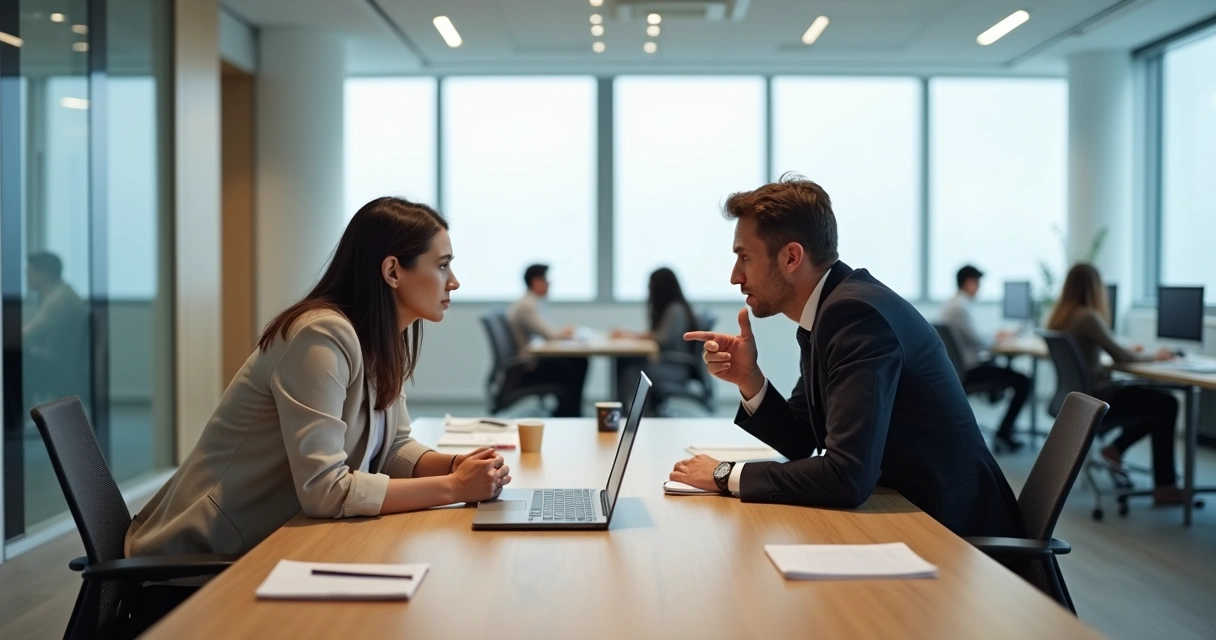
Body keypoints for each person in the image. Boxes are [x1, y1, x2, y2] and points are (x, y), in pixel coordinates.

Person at [127, 197, 512, 558]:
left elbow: (392, 449)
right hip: (209, 552)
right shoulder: (320, 336)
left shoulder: (378, 338)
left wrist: (456, 465)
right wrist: (454, 488)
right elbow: (324, 491)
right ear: (393, 271)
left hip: (281, 538)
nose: (454, 281)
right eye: (442, 265)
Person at [668, 175, 1024, 539]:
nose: (735, 276)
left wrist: (726, 475)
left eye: (744, 257)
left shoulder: (854, 315)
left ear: (791, 256)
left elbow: (847, 476)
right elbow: (801, 438)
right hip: (906, 514)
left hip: (957, 537)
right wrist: (749, 378)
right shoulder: (831, 310)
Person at [1045, 263, 1184, 504]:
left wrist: (1131, 351)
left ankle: (1116, 450)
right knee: (1166, 403)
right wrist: (1156, 355)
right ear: (1094, 287)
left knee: (1155, 404)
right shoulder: (1087, 315)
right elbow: (1121, 356)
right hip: (1098, 401)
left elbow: (1109, 350)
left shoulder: (1062, 317)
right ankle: (1165, 486)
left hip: (1079, 401)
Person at [940, 264, 1031, 453]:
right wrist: (999, 337)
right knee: (1023, 381)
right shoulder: (959, 307)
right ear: (969, 282)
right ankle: (1004, 434)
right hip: (970, 370)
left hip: (960, 368)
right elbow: (979, 341)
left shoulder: (952, 304)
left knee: (1008, 373)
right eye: (978, 283)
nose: (979, 287)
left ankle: (1005, 431)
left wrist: (995, 336)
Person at [612, 267, 701, 412]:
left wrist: (630, 335)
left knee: (631, 370)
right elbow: (656, 336)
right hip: (668, 364)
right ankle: (631, 413)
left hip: (675, 368)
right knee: (626, 363)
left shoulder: (675, 310)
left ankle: (639, 414)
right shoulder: (672, 309)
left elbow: (661, 339)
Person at [505, 264, 589, 417]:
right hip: (528, 367)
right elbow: (550, 335)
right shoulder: (527, 305)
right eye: (546, 280)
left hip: (529, 362)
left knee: (577, 362)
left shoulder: (530, 302)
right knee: (578, 362)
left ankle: (569, 412)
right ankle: (570, 413)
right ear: (536, 282)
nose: (549, 284)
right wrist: (565, 332)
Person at [23, 252, 91, 406]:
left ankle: (15, 421)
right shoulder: (62, 292)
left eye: (29, 273)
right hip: (64, 365)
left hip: (58, 369)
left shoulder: (58, 300)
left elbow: (27, 334)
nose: (26, 278)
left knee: (15, 360)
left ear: (43, 274)